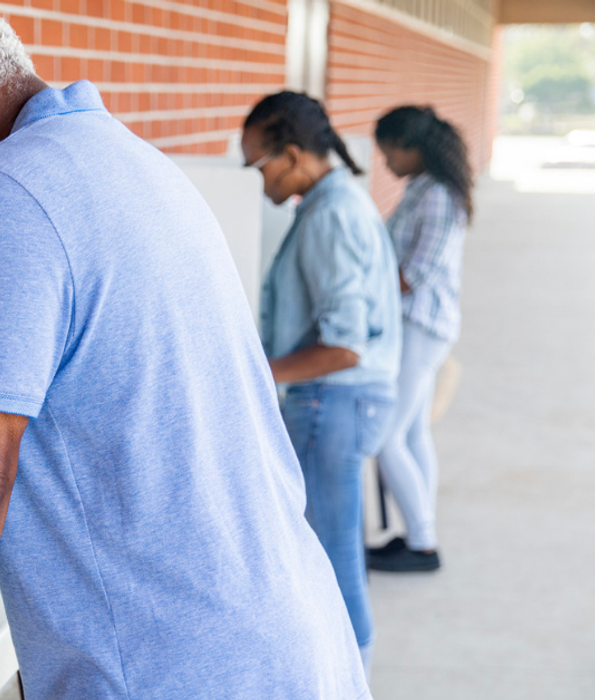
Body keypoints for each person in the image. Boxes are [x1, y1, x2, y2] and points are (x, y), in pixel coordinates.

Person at [0, 3, 370, 699]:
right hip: (283, 636)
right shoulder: (125, 158)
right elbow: (117, 446)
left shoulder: (1, 189)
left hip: (171, 668)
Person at [241, 91, 402, 672]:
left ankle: (350, 674)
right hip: (344, 402)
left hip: (333, 402)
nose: (257, 182)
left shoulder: (331, 214)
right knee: (332, 543)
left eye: (257, 165)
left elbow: (343, 345)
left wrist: (258, 375)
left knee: (331, 552)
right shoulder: (336, 201)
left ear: (291, 155)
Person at [368, 106, 472, 572]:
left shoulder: (436, 197)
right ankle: (417, 532)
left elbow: (414, 275)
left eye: (390, 151)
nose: (386, 161)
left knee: (384, 436)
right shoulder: (426, 188)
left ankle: (423, 544)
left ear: (413, 148)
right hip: (421, 326)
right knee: (411, 433)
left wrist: (360, 290)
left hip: (419, 327)